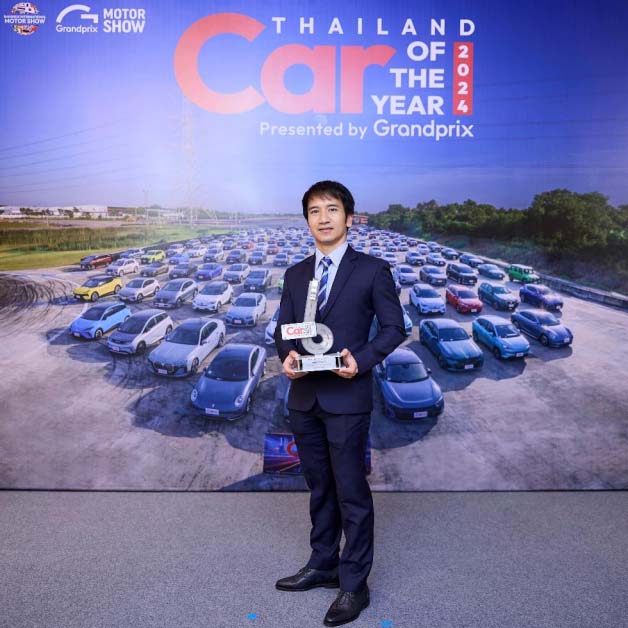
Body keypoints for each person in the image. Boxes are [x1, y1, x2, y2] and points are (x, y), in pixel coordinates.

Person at [274, 181, 405, 626]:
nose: (323, 218)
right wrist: (286, 356)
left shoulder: (372, 270)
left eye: (332, 209)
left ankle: (354, 584)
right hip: (304, 397)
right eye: (314, 211)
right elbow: (284, 330)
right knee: (319, 488)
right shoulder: (295, 274)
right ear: (307, 221)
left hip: (347, 397)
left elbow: (394, 328)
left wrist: (361, 360)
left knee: (351, 492)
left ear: (349, 218)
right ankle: (322, 563)